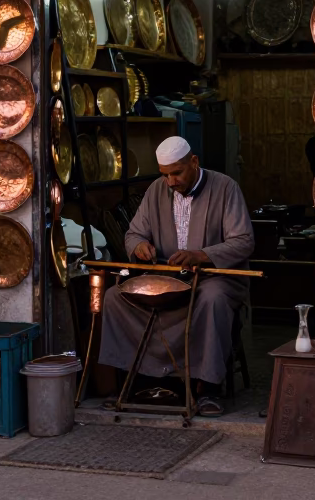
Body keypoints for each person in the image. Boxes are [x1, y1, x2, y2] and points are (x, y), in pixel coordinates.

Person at [98, 136, 254, 417]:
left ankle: (207, 388)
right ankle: (131, 382)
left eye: (177, 173)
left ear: (194, 162)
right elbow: (133, 234)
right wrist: (139, 246)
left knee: (212, 299)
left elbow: (243, 241)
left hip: (211, 277)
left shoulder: (225, 188)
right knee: (114, 297)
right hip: (168, 281)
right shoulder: (156, 191)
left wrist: (201, 254)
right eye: (165, 174)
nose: (170, 182)